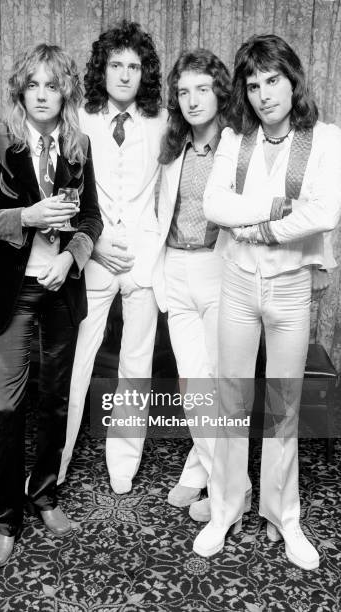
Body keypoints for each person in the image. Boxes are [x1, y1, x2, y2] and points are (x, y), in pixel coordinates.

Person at [193, 34, 341, 570]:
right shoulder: (236, 139)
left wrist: (257, 225)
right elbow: (213, 203)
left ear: (293, 80)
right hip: (236, 284)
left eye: (272, 80)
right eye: (252, 84)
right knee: (230, 401)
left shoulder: (324, 139)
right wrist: (278, 206)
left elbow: (323, 213)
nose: (262, 94)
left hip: (290, 288)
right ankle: (227, 507)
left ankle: (285, 514)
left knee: (283, 406)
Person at [0, 43, 103, 567]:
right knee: (7, 407)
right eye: (34, 85)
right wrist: (28, 214)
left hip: (61, 287)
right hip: (11, 292)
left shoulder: (78, 144)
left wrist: (71, 260)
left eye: (53, 85)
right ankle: (7, 518)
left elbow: (92, 220)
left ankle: (43, 495)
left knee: (56, 400)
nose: (43, 94)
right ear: (21, 90)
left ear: (65, 91)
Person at [57, 20, 167, 494]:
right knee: (76, 360)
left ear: (145, 74)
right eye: (116, 65)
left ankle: (122, 465)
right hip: (95, 253)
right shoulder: (79, 118)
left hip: (143, 258)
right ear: (102, 69)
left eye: (135, 66)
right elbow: (63, 190)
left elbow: (173, 192)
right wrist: (93, 242)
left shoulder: (163, 119)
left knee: (135, 365)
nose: (125, 75)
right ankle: (53, 465)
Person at [154, 49, 237, 516]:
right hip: (176, 268)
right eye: (183, 92)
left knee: (216, 385)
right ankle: (209, 473)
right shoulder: (173, 149)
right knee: (193, 385)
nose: (191, 100)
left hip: (219, 269)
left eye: (202, 89)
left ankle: (225, 491)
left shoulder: (238, 145)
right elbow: (158, 212)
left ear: (220, 92)